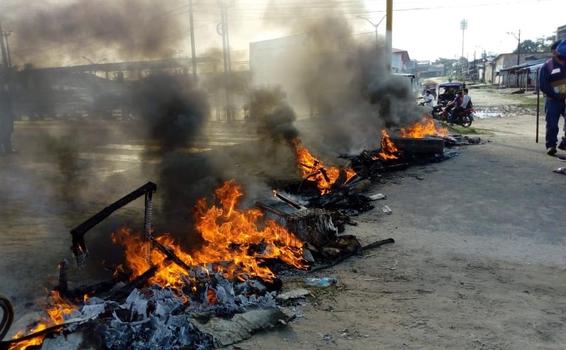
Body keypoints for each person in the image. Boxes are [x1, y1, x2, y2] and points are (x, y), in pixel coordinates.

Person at [539, 40, 566, 155]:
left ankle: (565, 142)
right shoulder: (547, 66)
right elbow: (543, 85)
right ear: (554, 52)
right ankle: (551, 145)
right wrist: (556, 96)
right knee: (552, 124)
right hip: (553, 100)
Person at [0, 84, 15, 155]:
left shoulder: (6, 94)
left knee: (7, 132)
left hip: (6, 114)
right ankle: (5, 149)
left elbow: (9, 106)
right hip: (4, 114)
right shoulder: (5, 94)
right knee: (5, 132)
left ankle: (7, 149)